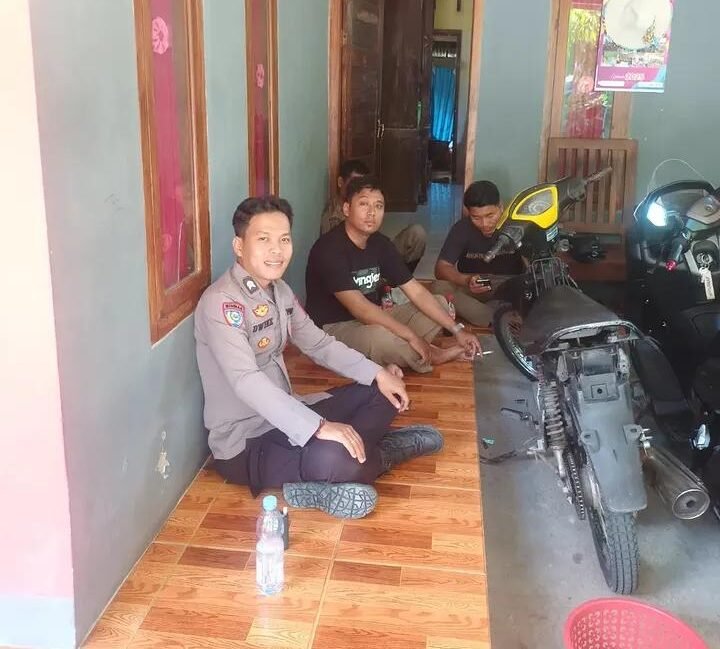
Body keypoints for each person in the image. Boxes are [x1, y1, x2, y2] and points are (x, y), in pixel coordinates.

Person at [194, 196, 444, 520]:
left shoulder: (279, 291)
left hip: (291, 412)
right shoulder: (221, 303)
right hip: (248, 442)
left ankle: (353, 460)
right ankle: (381, 454)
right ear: (239, 246)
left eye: (284, 240)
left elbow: (318, 343)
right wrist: (318, 427)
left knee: (385, 391)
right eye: (264, 239)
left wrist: (377, 373)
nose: (276, 250)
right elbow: (246, 381)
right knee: (339, 460)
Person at [306, 175, 482, 373]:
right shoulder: (329, 249)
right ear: (346, 209)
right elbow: (360, 309)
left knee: (439, 303)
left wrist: (457, 330)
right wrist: (411, 336)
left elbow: (416, 291)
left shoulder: (380, 244)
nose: (371, 212)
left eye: (378, 206)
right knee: (379, 337)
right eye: (363, 204)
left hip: (374, 315)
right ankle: (433, 355)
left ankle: (402, 353)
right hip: (334, 327)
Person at [432, 180, 525, 327]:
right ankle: (501, 320)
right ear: (468, 213)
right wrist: (467, 280)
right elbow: (441, 268)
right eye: (476, 218)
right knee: (439, 287)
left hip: (511, 283)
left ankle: (499, 317)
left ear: (501, 206)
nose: (484, 224)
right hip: (477, 284)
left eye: (490, 215)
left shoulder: (518, 226)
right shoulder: (462, 228)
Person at [320, 159, 427, 272]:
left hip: (375, 252)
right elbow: (337, 258)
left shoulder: (367, 205)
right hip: (359, 267)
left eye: (362, 185)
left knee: (416, 234)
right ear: (340, 182)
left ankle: (400, 277)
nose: (359, 190)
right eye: (354, 184)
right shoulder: (333, 217)